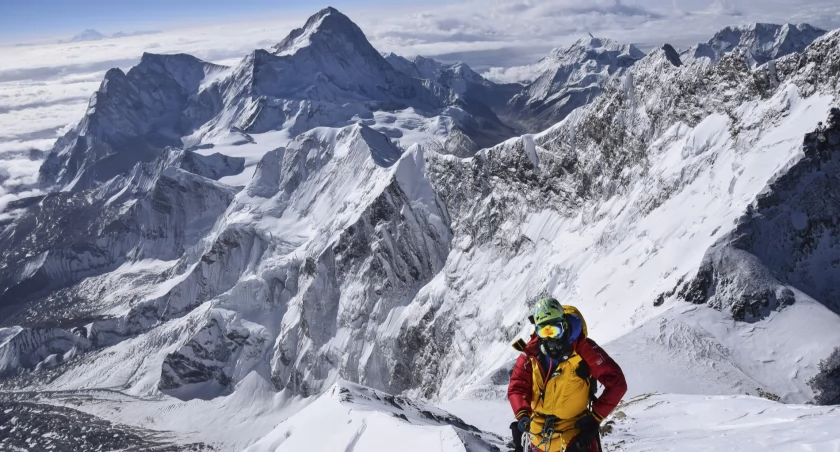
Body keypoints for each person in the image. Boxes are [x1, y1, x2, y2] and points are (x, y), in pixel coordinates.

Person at [507, 298, 627, 452]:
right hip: (538, 436)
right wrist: (522, 413)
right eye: (545, 331)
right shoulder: (531, 353)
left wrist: (595, 417)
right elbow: (517, 385)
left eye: (554, 330)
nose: (550, 337)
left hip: (576, 433)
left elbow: (617, 382)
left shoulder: (583, 349)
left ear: (564, 326)